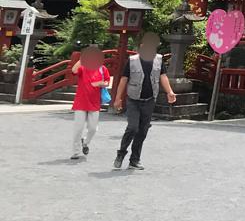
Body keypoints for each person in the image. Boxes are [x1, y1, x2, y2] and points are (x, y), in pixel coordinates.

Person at [113, 33, 176, 171]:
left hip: (149, 100)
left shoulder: (159, 60)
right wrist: (118, 98)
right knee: (132, 128)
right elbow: (123, 80)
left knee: (142, 131)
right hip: (133, 100)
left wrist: (169, 91)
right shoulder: (132, 60)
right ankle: (121, 153)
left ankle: (134, 160)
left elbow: (163, 77)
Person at [69, 46, 110, 160]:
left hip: (94, 102)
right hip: (81, 102)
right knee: (78, 128)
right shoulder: (83, 67)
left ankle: (86, 142)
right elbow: (73, 71)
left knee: (93, 128)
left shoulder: (102, 69)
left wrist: (101, 83)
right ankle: (76, 151)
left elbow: (107, 82)